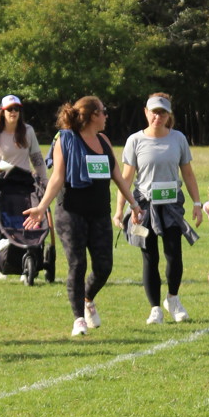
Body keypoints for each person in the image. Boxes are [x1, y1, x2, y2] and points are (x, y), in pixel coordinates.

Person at [23, 97, 139, 338]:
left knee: (104, 267)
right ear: (93, 115)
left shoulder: (104, 140)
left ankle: (87, 298)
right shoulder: (65, 139)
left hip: (100, 213)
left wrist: (134, 204)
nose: (106, 116)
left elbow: (118, 176)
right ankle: (78, 319)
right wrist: (42, 206)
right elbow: (57, 177)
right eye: (103, 112)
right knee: (77, 264)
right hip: (71, 212)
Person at [115, 92, 203, 325]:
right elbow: (125, 178)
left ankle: (173, 299)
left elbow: (188, 174)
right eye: (154, 112)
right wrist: (119, 209)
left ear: (168, 115)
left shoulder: (178, 138)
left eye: (163, 112)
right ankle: (155, 308)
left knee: (174, 255)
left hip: (171, 205)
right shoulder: (135, 140)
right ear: (146, 112)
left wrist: (197, 203)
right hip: (143, 206)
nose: (158, 117)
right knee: (149, 257)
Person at [0, 95, 47, 185]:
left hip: (25, 183)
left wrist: (44, 181)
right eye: (9, 109)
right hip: (2, 182)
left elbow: (37, 159)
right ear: (3, 112)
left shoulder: (28, 131)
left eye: (16, 109)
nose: (13, 111)